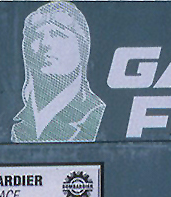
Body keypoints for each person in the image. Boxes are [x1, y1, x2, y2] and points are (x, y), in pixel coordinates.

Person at [11, 1, 104, 143]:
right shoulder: (19, 125)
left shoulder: (96, 115)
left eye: (58, 34)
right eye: (37, 35)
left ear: (82, 48)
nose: (45, 44)